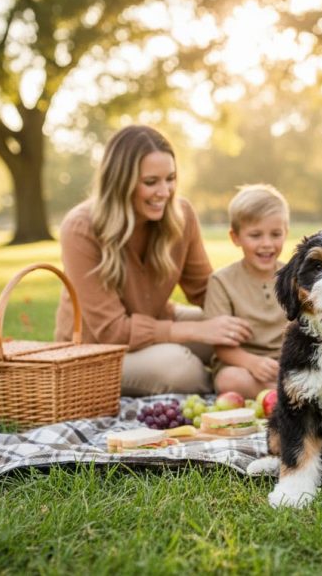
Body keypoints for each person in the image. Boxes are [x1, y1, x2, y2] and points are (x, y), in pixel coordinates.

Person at [54, 125, 252, 397]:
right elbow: (112, 331)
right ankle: (230, 383)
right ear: (120, 183)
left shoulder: (180, 214)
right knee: (181, 368)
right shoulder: (81, 228)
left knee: (242, 330)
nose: (165, 191)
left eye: (170, 179)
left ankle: (263, 379)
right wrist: (195, 331)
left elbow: (206, 290)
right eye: (150, 182)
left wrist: (258, 310)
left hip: (157, 323)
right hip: (96, 351)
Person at [202, 184, 290, 399]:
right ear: (235, 237)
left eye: (275, 234)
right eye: (255, 235)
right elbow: (221, 346)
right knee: (229, 380)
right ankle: (287, 397)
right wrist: (252, 363)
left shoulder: (295, 277)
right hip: (243, 365)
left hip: (287, 364)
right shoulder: (221, 281)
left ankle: (286, 393)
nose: (267, 244)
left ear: (286, 233)